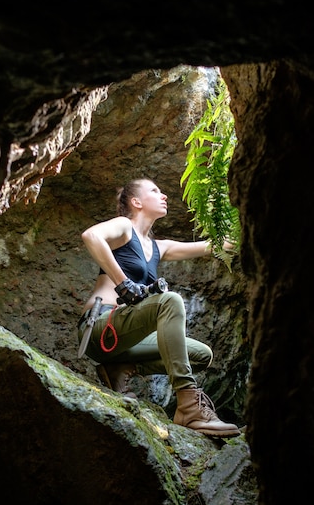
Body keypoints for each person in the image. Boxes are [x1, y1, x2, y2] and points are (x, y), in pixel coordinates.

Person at [77, 177, 240, 438]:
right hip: (101, 328)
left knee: (200, 354)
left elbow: (216, 246)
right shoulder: (123, 227)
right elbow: (91, 235)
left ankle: (119, 369)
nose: (164, 195)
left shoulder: (159, 247)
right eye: (155, 190)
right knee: (170, 300)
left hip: (127, 338)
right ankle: (189, 404)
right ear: (136, 202)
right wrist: (124, 284)